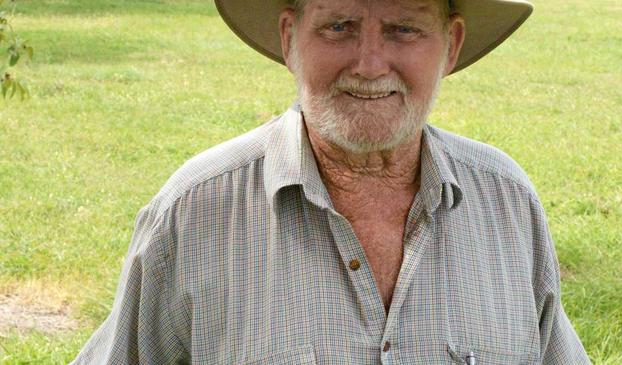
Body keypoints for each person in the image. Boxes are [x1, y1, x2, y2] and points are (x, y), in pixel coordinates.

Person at [72, 0, 591, 363]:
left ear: (450, 44)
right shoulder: (195, 211)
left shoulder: (506, 201)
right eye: (338, 25)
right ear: (289, 39)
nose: (368, 65)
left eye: (404, 29)